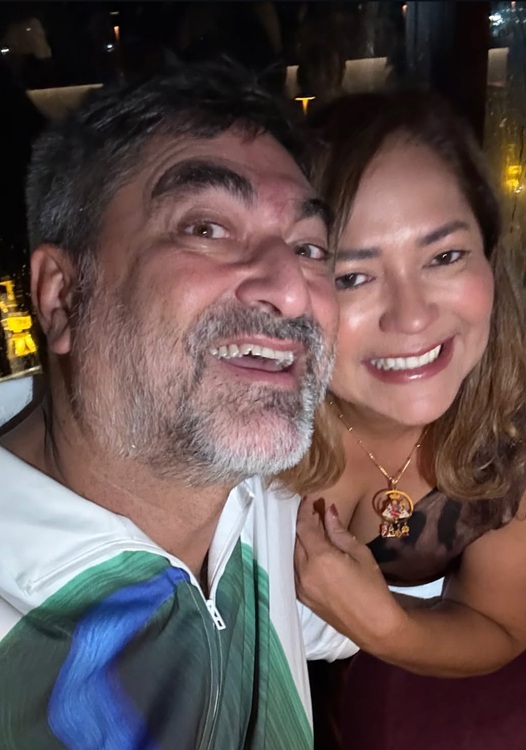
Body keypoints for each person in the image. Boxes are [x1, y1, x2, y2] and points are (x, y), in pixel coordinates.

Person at [0, 61, 357, 749]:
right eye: (206, 228)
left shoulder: (269, 506)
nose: (291, 289)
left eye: (309, 247)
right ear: (62, 296)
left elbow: (363, 617)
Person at [285, 91, 526, 748]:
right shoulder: (234, 426)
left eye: (444, 256)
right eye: (351, 277)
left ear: (489, 253)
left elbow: (499, 625)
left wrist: (384, 625)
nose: (412, 316)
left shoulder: (510, 432)